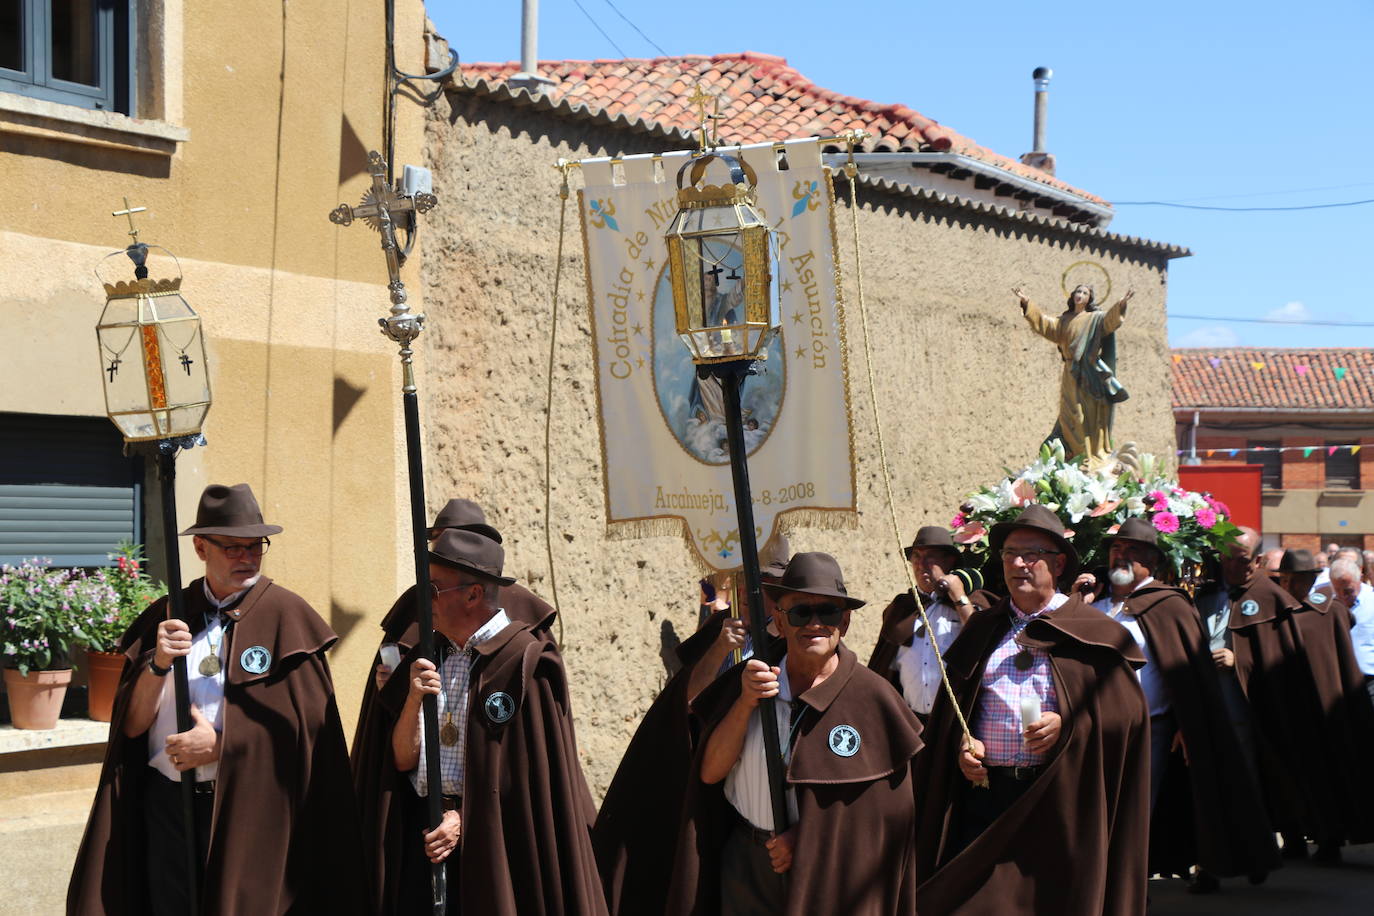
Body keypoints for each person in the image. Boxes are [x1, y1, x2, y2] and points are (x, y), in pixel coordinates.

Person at [68, 484, 367, 915]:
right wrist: (157, 665)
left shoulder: (287, 617)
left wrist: (221, 747)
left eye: (255, 547)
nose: (246, 557)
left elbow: (308, 739)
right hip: (168, 806)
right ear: (201, 547)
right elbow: (131, 728)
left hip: (251, 810)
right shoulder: (167, 614)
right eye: (232, 547)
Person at [354, 528, 606, 915]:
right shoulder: (426, 654)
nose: (425, 600)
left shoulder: (525, 663)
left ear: (473, 594)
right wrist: (411, 701)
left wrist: (464, 818)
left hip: (497, 841)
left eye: (435, 589)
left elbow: (527, 783)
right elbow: (404, 761)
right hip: (425, 831)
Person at [913, 504, 1149, 915]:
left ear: (1058, 564)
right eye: (1008, 554)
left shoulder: (1091, 630)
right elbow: (954, 712)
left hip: (1057, 797)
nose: (1018, 563)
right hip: (988, 797)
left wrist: (1070, 722)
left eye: (1031, 553)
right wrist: (961, 749)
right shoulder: (985, 628)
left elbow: (1126, 716)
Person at [666, 553, 923, 916]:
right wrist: (745, 703)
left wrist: (807, 840)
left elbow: (885, 817)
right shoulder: (750, 680)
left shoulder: (872, 698)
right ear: (781, 622)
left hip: (828, 872)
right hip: (746, 860)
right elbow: (710, 773)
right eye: (800, 613)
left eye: (828, 613)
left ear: (845, 623)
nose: (814, 624)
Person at [593, 540, 788, 916]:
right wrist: (717, 649)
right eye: (743, 581)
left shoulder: (790, 641)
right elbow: (688, 700)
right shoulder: (721, 630)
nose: (748, 593)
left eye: (761, 584)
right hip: (709, 770)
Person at [1082, 518, 1278, 892]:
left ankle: (1128, 889)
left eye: (1133, 550)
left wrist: (1188, 725)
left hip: (1149, 731)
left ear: (1152, 561)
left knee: (1135, 814)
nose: (1121, 556)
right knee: (1095, 812)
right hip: (1094, 731)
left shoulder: (1168, 606)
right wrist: (1079, 601)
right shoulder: (1096, 605)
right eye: (1116, 549)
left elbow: (1189, 675)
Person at [351, 498, 553, 763]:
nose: (441, 546)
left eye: (451, 538)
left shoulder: (525, 646)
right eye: (436, 539)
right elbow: (403, 756)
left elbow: (526, 756)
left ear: (474, 594)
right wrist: (399, 689)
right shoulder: (429, 630)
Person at [1209, 527, 1323, 860]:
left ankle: (1264, 845)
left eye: (1240, 558)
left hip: (1256, 708)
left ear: (1257, 560)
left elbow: (1280, 659)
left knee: (1264, 773)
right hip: (1214, 705)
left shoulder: (1270, 597)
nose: (1230, 564)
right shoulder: (1208, 593)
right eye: (1225, 557)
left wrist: (1238, 660)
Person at [1277, 550, 1374, 860]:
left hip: (1325, 704)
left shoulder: (1328, 611)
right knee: (1287, 774)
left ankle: (1328, 840)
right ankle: (1293, 838)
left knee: (1326, 773)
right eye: (1287, 579)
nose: (1292, 585)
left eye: (1300, 579)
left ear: (1311, 580)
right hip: (1285, 706)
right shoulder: (1274, 610)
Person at [869, 527, 992, 724]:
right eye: (916, 557)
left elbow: (981, 640)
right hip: (908, 720)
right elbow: (885, 661)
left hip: (953, 722)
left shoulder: (970, 602)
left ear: (949, 561)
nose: (921, 564)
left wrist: (958, 596)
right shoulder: (902, 607)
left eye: (931, 557)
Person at [1013, 283, 1134, 464]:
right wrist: (1027, 302)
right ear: (1072, 296)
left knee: (1086, 414)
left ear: (1089, 298)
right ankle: (1073, 454)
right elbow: (1044, 324)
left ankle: (1088, 454)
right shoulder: (1064, 320)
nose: (1080, 295)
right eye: (1078, 291)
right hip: (1070, 373)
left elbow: (1110, 321)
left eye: (1084, 293)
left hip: (1089, 374)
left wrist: (1121, 304)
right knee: (1069, 414)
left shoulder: (1095, 319)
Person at [1331, 557, 1374, 710]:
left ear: (1360, 580)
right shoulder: (1329, 605)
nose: (1343, 596)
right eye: (1337, 590)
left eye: (1348, 590)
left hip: (1370, 681)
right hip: (1340, 683)